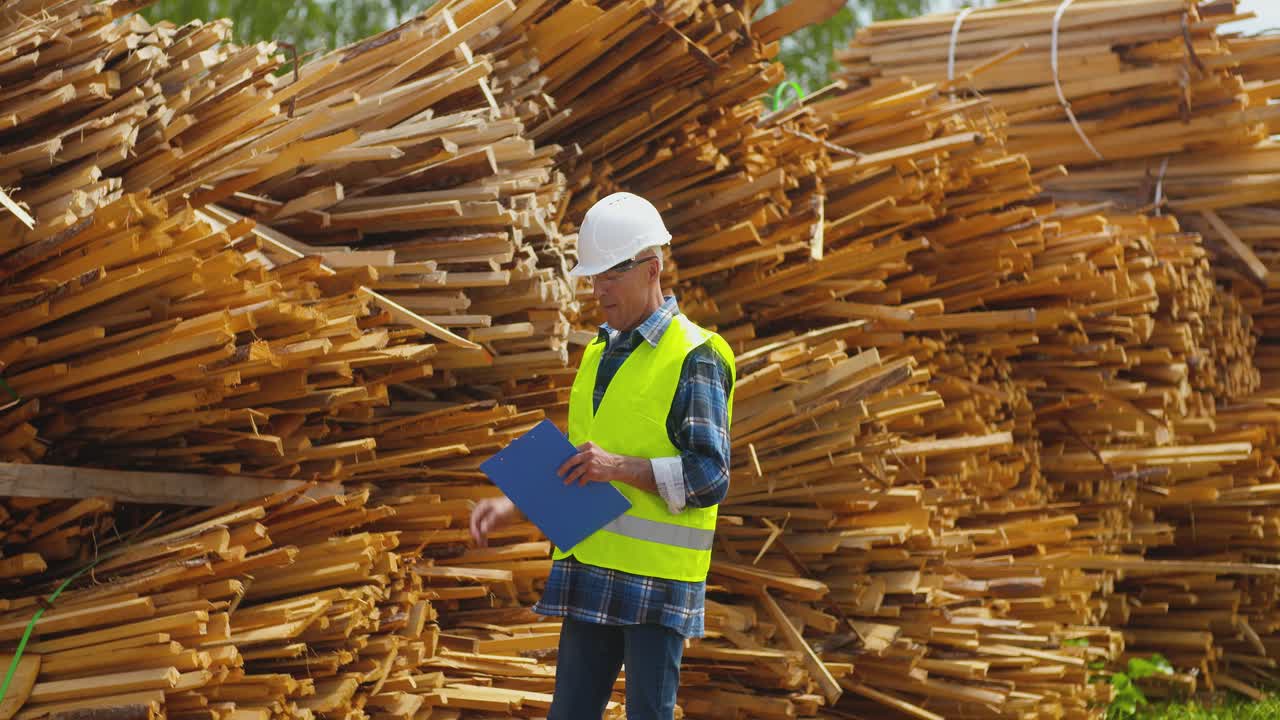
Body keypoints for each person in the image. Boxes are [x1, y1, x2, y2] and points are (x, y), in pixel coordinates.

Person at [469, 192, 735, 720]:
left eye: (611, 274)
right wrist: (513, 505)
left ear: (652, 268)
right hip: (591, 568)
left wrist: (621, 468)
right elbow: (581, 458)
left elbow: (711, 476)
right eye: (593, 276)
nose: (599, 289)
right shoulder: (598, 351)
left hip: (658, 587)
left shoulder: (696, 355)